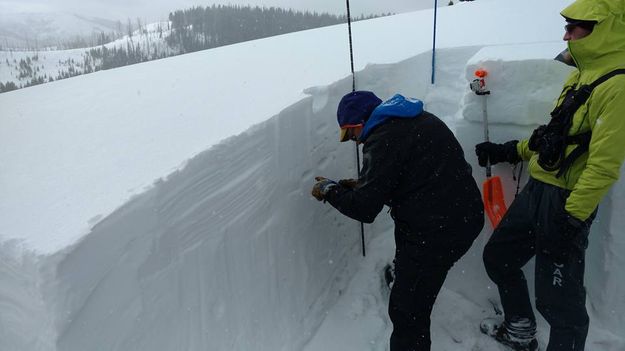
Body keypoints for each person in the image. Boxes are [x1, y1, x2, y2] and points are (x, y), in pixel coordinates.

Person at [475, 1, 625, 350]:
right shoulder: (580, 75)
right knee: (499, 258)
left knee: (560, 305)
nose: (566, 35)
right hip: (538, 190)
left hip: (566, 202)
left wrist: (571, 220)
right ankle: (521, 329)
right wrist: (513, 151)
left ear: (600, 29)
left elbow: (604, 166)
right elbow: (556, 136)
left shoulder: (617, 86)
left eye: (574, 28)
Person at [311, 91, 484, 351]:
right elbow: (411, 170)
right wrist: (366, 184)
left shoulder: (382, 139)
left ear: (360, 123)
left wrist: (330, 190)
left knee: (407, 311)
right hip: (462, 216)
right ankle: (411, 278)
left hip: (436, 232)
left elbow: (364, 209)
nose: (355, 141)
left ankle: (412, 288)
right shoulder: (416, 118)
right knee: (415, 275)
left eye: (350, 133)